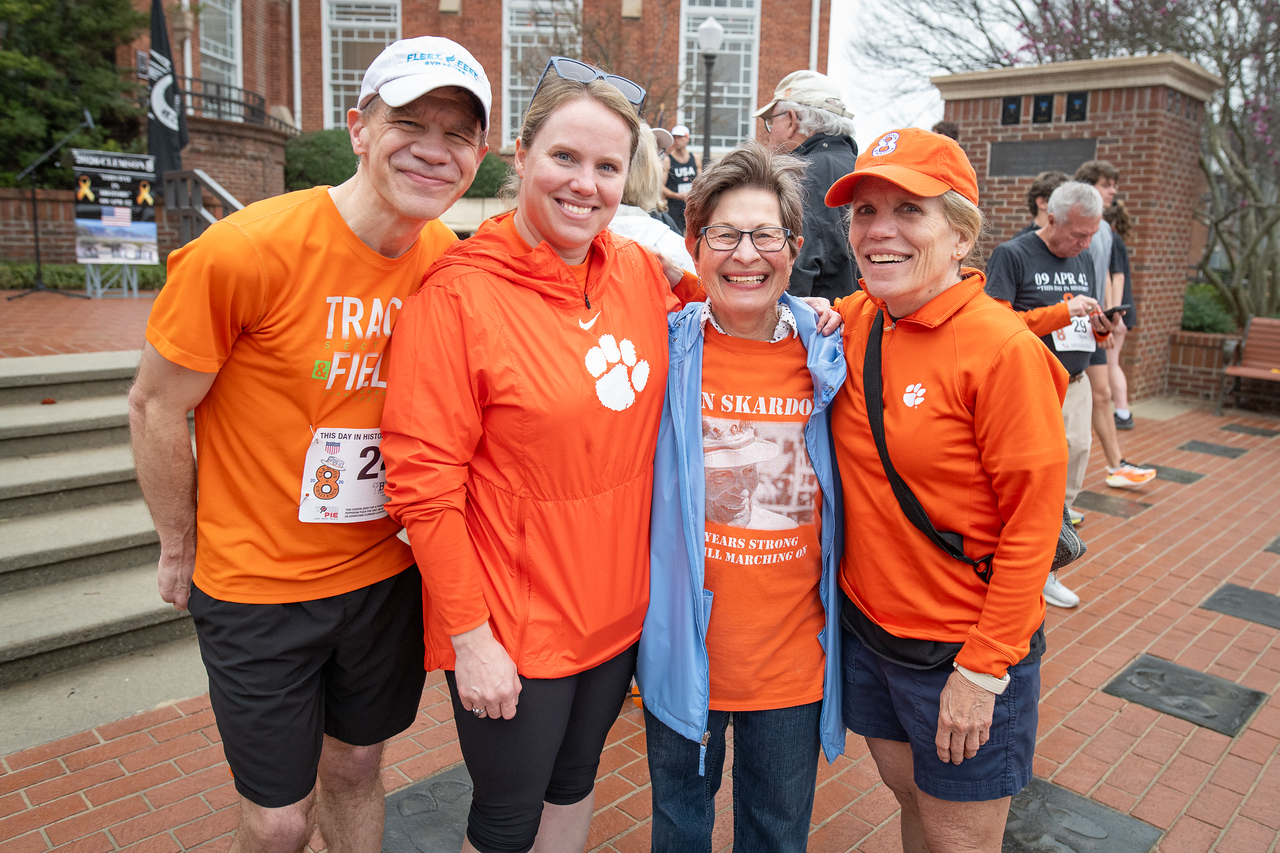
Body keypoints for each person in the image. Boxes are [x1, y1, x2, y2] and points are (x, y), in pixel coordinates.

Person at [126, 37, 491, 852]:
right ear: (359, 128)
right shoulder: (245, 250)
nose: (433, 149)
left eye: (457, 134)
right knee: (278, 817)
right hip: (258, 585)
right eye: (410, 123)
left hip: (383, 576)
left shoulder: (449, 265)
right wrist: (177, 543)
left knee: (358, 766)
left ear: (478, 155)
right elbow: (154, 406)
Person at [379, 61, 700, 853]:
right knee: (506, 816)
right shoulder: (457, 296)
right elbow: (423, 487)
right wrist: (471, 638)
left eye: (606, 166)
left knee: (576, 781)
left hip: (618, 606)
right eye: (564, 157)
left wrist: (822, 319)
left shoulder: (635, 271)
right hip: (515, 624)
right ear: (521, 155)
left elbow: (721, 322)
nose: (584, 184)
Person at [825, 127, 1067, 853]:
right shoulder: (852, 319)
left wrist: (984, 671)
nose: (881, 229)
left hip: (963, 651)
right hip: (868, 632)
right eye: (865, 210)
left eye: (909, 209)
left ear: (959, 235)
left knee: (960, 836)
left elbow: (1033, 528)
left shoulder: (1002, 352)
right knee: (912, 801)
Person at [637, 142, 846, 852]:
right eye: (725, 234)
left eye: (765, 235)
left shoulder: (828, 349)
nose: (745, 255)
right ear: (695, 244)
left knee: (777, 836)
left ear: (794, 247)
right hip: (684, 654)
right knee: (680, 831)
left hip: (793, 661)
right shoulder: (661, 349)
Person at [986, 182, 1154, 609]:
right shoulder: (1014, 254)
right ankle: (1016, 572)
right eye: (1079, 234)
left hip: (1074, 383)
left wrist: (1100, 326)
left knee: (1072, 470)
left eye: (1092, 234)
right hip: (1030, 389)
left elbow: (1084, 321)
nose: (1085, 243)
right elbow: (993, 326)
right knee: (1031, 485)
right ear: (1052, 218)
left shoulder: (1081, 257)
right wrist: (1062, 312)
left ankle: (1047, 567)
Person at [755, 69, 858, 302]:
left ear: (791, 120)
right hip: (866, 323)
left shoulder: (792, 178)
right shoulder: (866, 170)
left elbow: (791, 270)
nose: (768, 135)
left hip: (814, 327)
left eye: (771, 122)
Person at [610, 121, 695, 274]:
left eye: (661, 152)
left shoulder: (576, 234)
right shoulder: (668, 245)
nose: (661, 160)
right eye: (656, 154)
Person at [1103, 200, 1138, 429]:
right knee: (1111, 364)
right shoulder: (1115, 239)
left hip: (1119, 312)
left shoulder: (1112, 239)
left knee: (1111, 364)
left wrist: (1116, 316)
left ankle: (1123, 413)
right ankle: (1120, 412)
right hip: (1121, 311)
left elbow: (1118, 278)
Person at [662, 124, 701, 234]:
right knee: (676, 234)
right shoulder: (667, 160)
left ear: (687, 138)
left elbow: (701, 182)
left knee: (694, 235)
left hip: (691, 204)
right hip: (674, 206)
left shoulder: (695, 158)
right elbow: (660, 186)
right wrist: (677, 195)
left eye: (680, 137)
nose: (677, 140)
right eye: (674, 137)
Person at [1016, 170, 1071, 237]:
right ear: (1042, 203)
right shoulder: (1021, 243)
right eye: (1063, 201)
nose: (1069, 206)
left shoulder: (1070, 238)